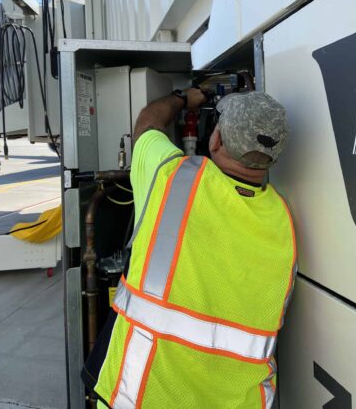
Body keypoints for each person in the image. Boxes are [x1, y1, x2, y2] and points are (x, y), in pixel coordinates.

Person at [83, 88, 296, 409]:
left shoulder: (174, 176)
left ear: (216, 140)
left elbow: (147, 123)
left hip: (139, 396)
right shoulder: (284, 221)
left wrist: (184, 98)